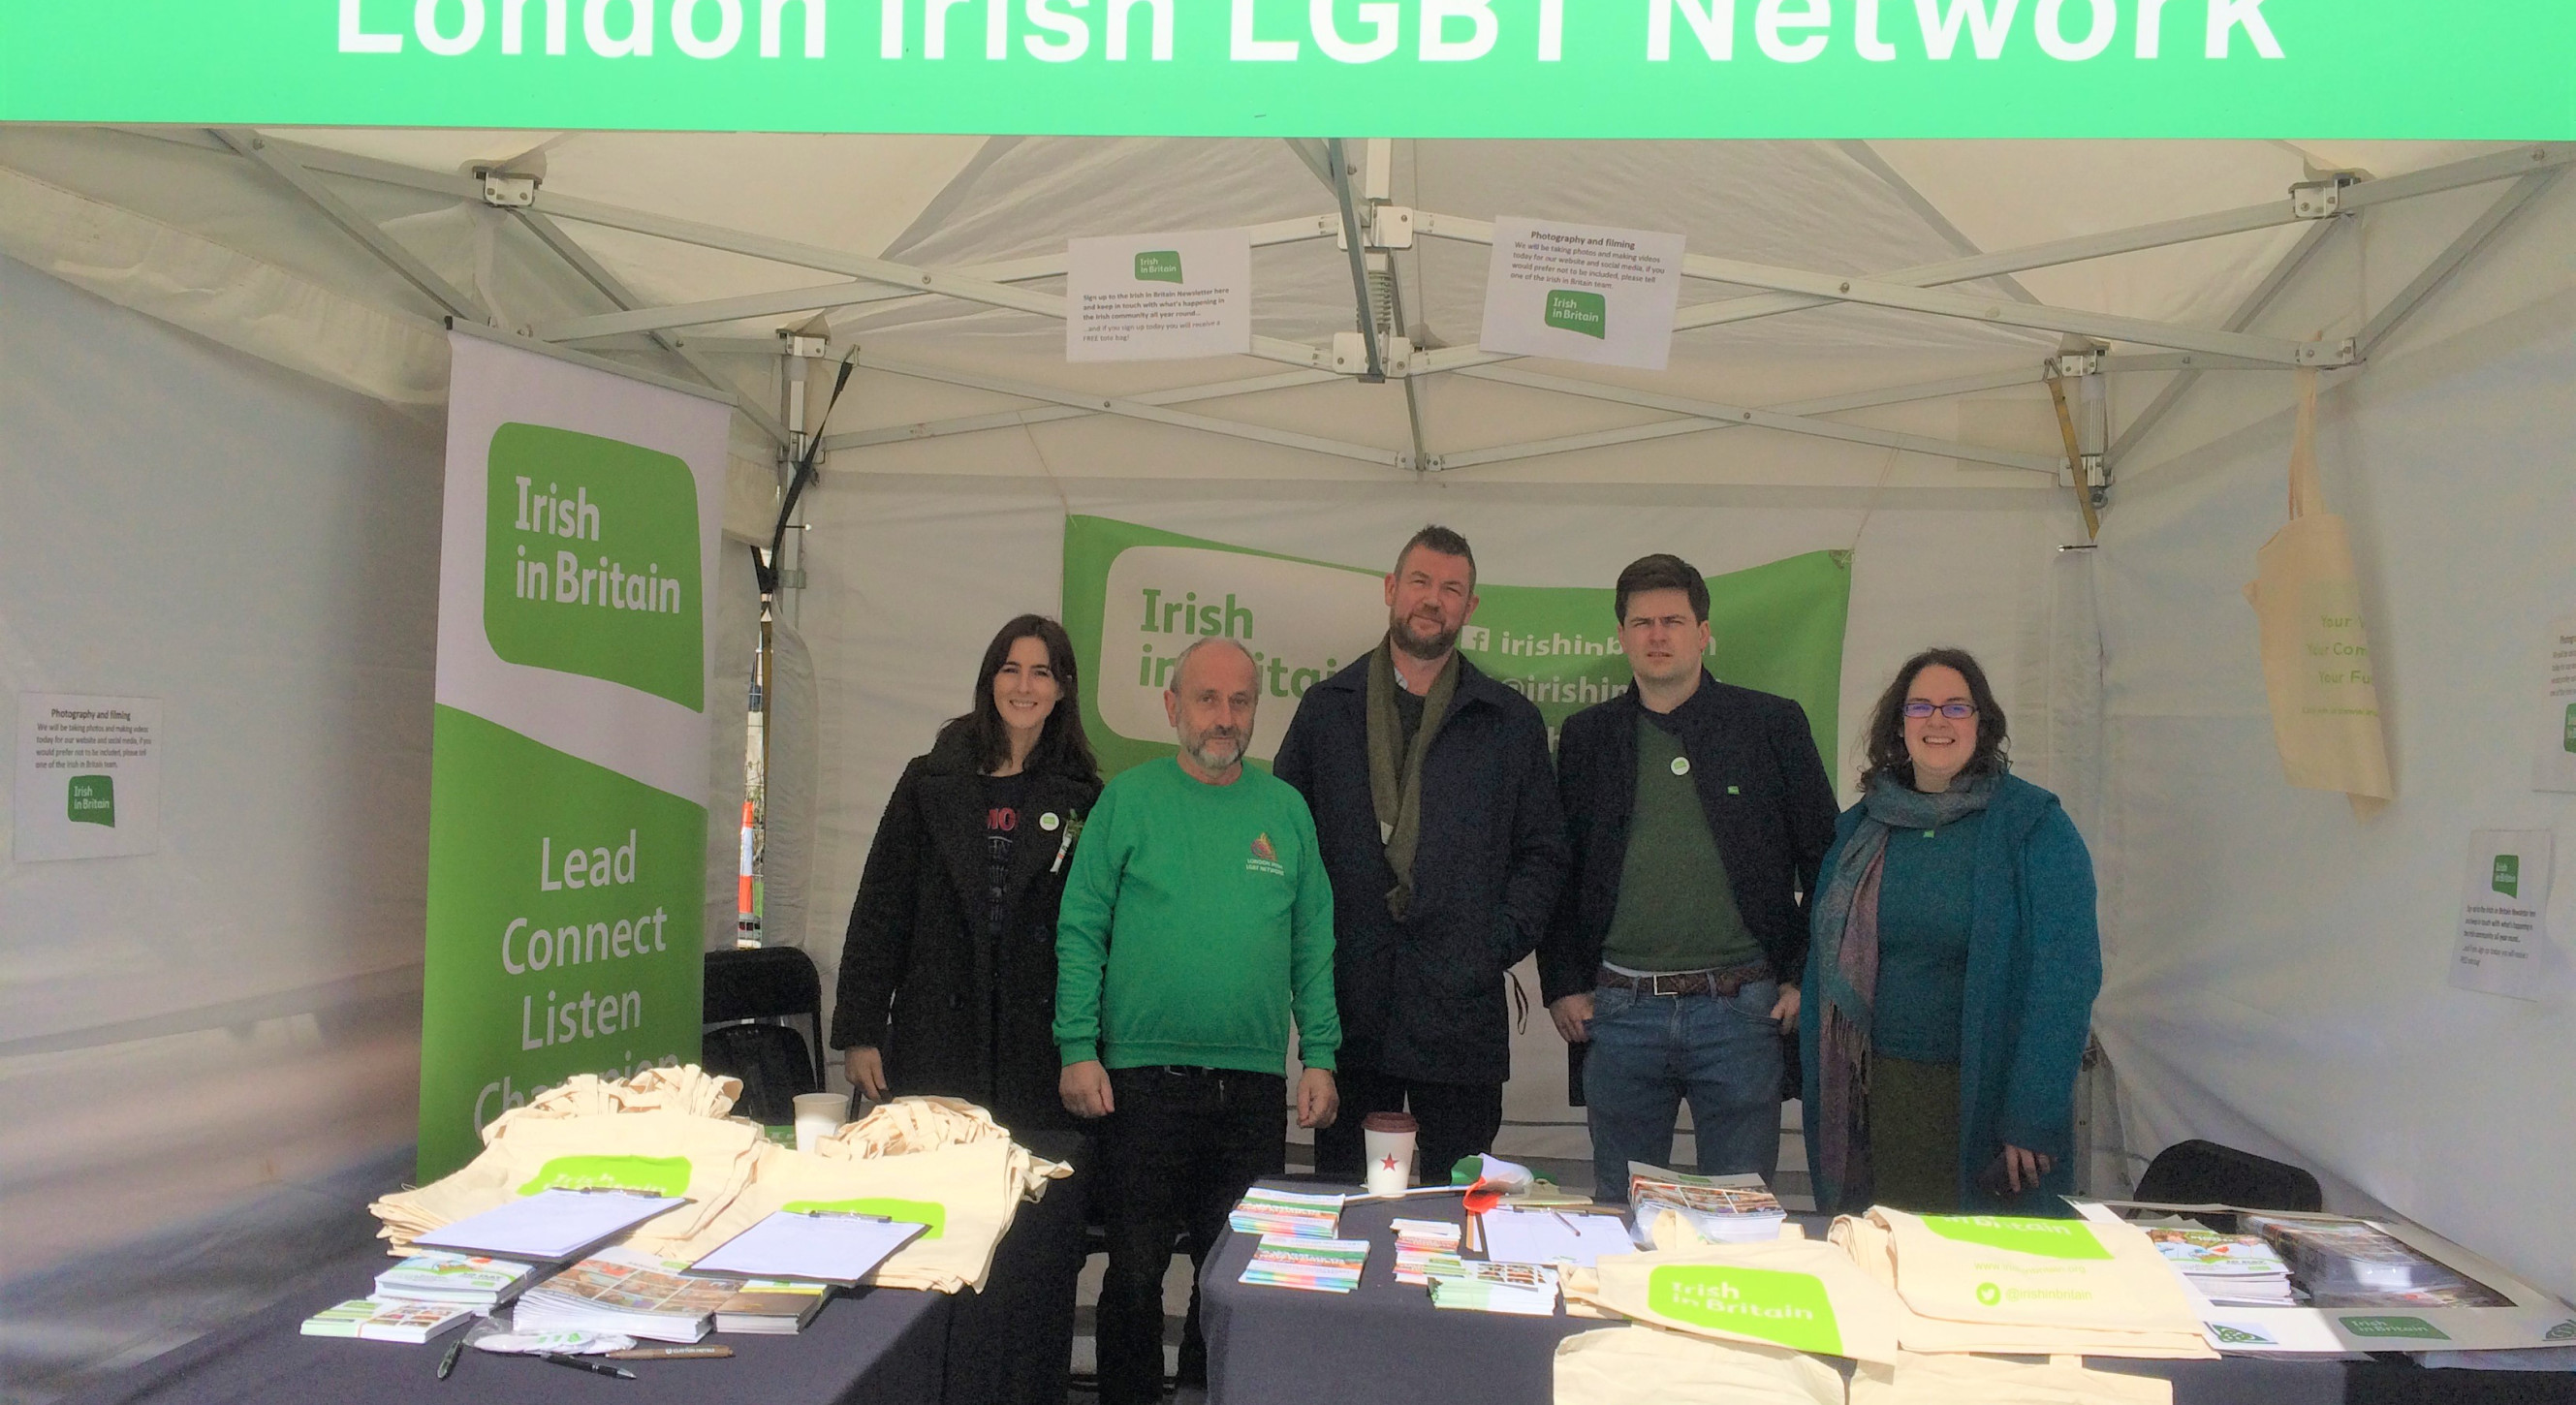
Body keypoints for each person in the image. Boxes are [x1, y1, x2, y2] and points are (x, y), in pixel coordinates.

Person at [1054, 636, 1340, 1405]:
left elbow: (1314, 941)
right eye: (1208, 699)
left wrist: (1320, 1055)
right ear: (1173, 707)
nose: (1225, 716)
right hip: (1138, 1083)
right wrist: (1077, 1046)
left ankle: (1208, 1396)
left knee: (1235, 1277)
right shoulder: (1129, 800)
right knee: (1136, 1273)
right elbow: (1081, 927)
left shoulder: (1285, 810)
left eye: (1240, 701)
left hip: (1249, 1089)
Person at [829, 613, 1102, 1405]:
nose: (1025, 685)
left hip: (1034, 1046)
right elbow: (881, 905)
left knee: (1031, 1236)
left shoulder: (1087, 796)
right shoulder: (930, 779)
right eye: (1011, 669)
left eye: (1043, 672)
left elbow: (1096, 930)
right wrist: (859, 1028)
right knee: (935, 1224)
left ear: (1062, 690)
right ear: (990, 681)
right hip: (934, 1035)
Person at [1273, 525, 1566, 1188]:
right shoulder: (1326, 711)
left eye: (1452, 589)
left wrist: (1490, 944)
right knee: (1350, 1207)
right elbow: (1287, 847)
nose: (1433, 600)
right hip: (1350, 1012)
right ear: (1390, 590)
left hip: (1459, 1018)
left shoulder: (1507, 720)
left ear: (1471, 608)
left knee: (1456, 1207)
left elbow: (1545, 853)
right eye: (1421, 582)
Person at [1539, 554, 1839, 1202]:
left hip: (1740, 1013)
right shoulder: (1588, 739)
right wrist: (1562, 983)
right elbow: (1558, 870)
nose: (1657, 635)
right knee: (1620, 1215)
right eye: (1642, 622)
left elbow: (1827, 861)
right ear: (1620, 636)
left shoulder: (1771, 726)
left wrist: (1803, 976)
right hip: (1618, 1015)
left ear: (1704, 631)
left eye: (1673, 620)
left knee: (1739, 1218)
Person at [1801, 647, 2102, 1216]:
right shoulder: (1860, 830)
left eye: (1956, 707)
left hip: (1989, 1102)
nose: (1937, 721)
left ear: (1982, 724)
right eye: (1920, 707)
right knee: (1885, 1259)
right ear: (1899, 725)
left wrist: (2032, 1114)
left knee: (1982, 1272)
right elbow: (1824, 963)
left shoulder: (2032, 825)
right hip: (1880, 1097)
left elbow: (2066, 980)